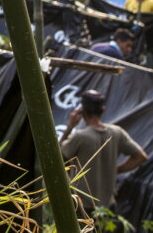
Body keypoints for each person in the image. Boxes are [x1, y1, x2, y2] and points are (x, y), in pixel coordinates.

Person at [60, 89, 147, 218]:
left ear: (82, 111)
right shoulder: (117, 132)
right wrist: (115, 170)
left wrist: (70, 126)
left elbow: (57, 158)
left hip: (82, 207)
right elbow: (141, 157)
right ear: (103, 109)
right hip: (107, 207)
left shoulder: (80, 136)